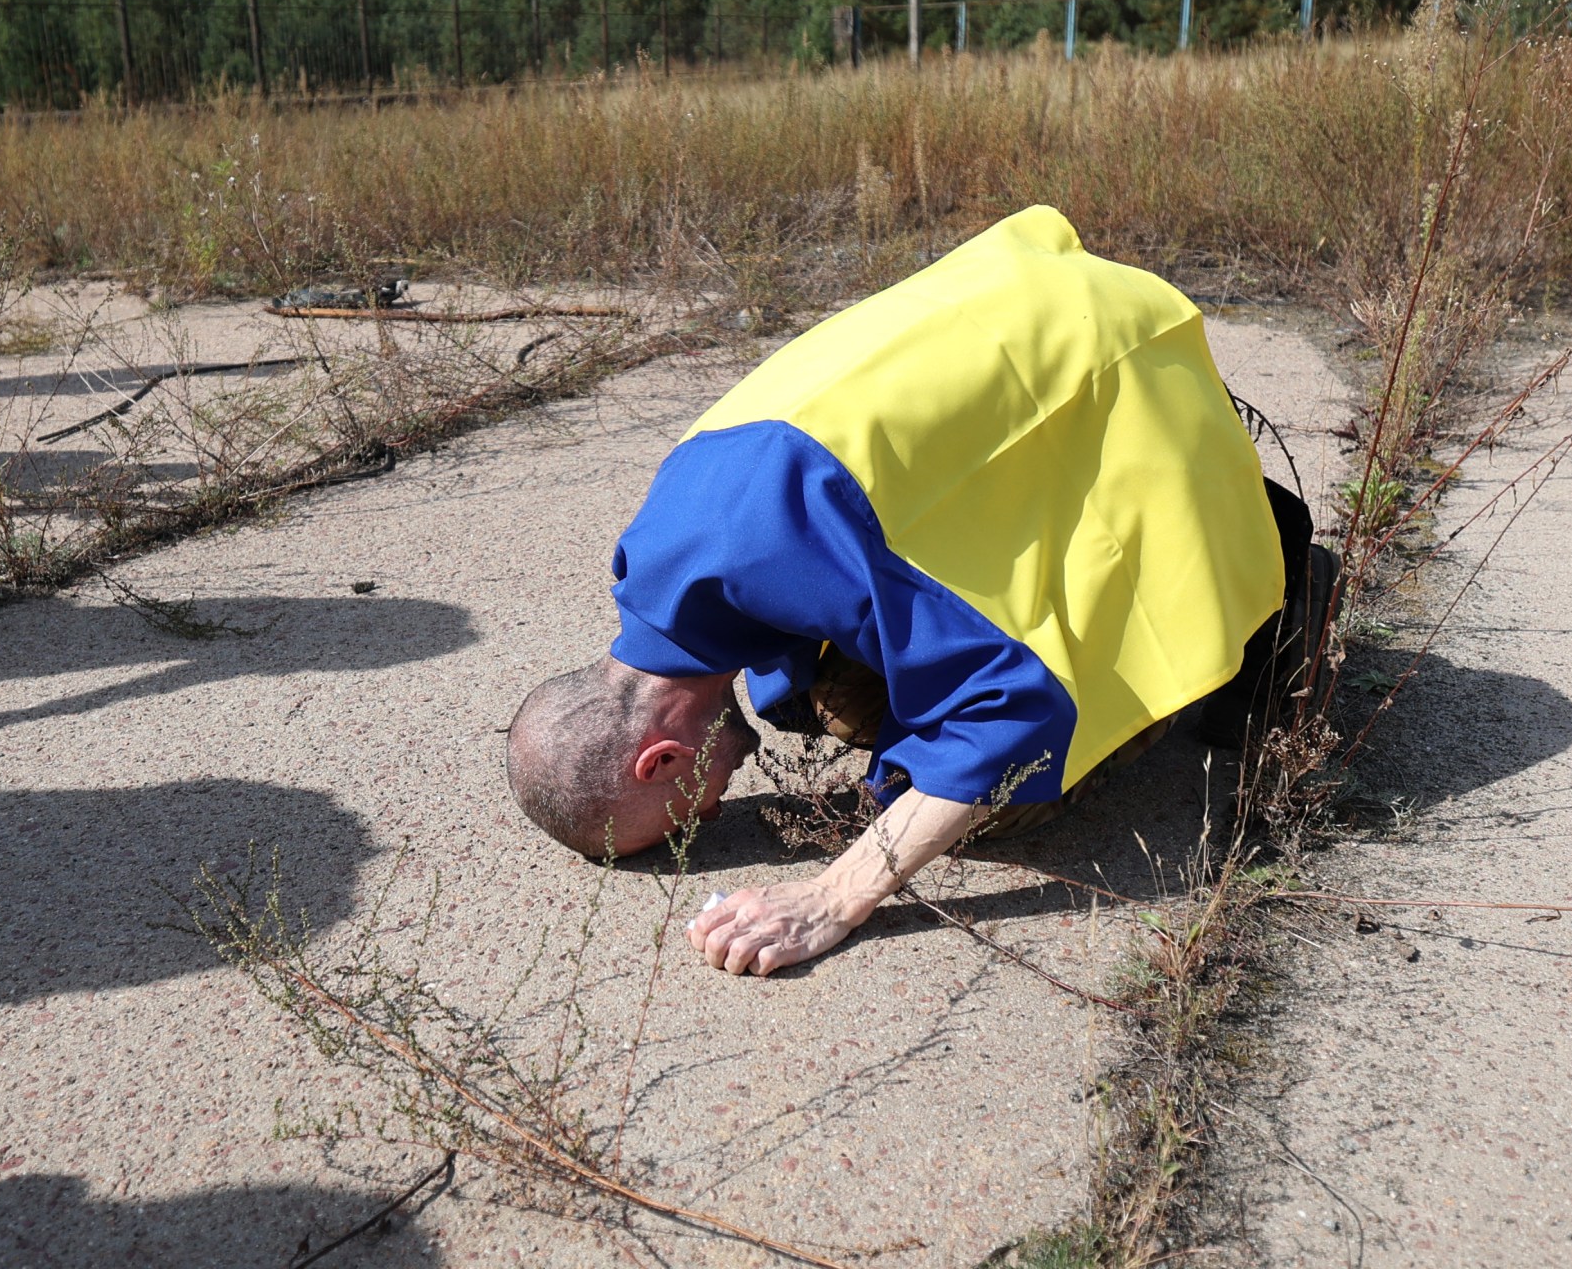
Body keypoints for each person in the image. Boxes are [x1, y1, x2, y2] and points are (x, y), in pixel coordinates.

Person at [506, 206, 1336, 976]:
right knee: (847, 708)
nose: (713, 818)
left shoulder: (811, 541)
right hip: (1019, 300)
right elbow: (814, 582)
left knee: (996, 806)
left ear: (662, 758)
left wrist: (838, 894)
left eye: (688, 817)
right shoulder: (653, 553)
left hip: (1108, 357)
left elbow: (1018, 714)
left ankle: (1258, 547)